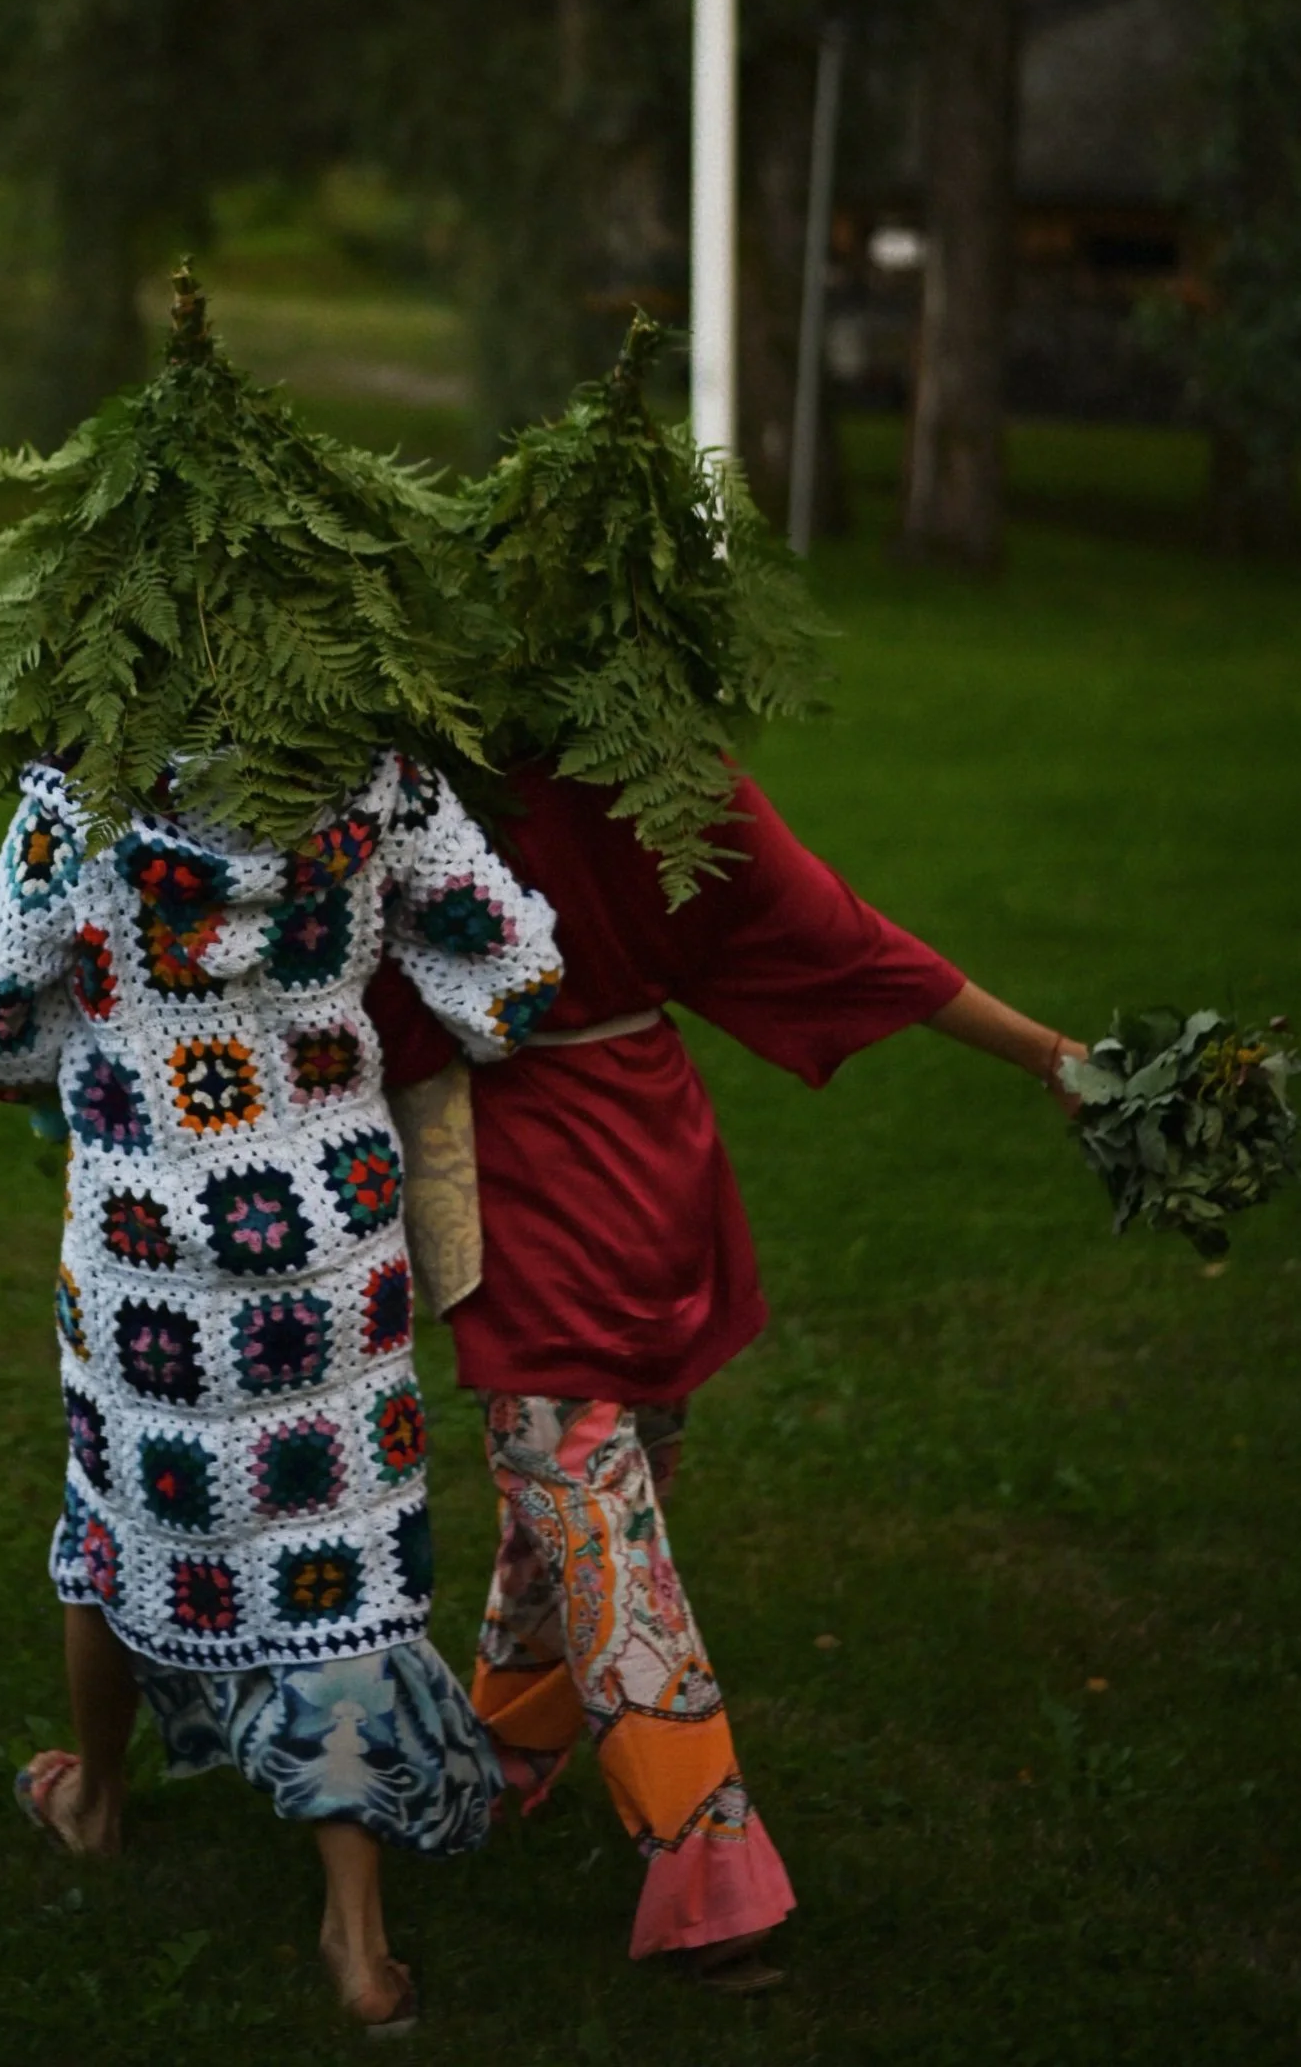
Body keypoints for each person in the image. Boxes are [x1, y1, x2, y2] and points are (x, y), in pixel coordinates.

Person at [0, 276, 563, 2032]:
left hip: (145, 1248)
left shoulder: (83, 798)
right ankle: (354, 1936)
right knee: (335, 1549)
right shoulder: (378, 780)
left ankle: (102, 1795)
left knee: (126, 1516)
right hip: (333, 1235)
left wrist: (79, 1059)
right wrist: (364, 988)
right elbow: (512, 973)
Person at [368, 765, 1086, 1990]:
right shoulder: (659, 768)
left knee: (587, 1500)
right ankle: (498, 1761)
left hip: (532, 1169)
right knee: (588, 1482)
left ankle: (710, 1872)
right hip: (651, 1153)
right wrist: (1050, 1055)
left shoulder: (415, 778)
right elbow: (833, 932)